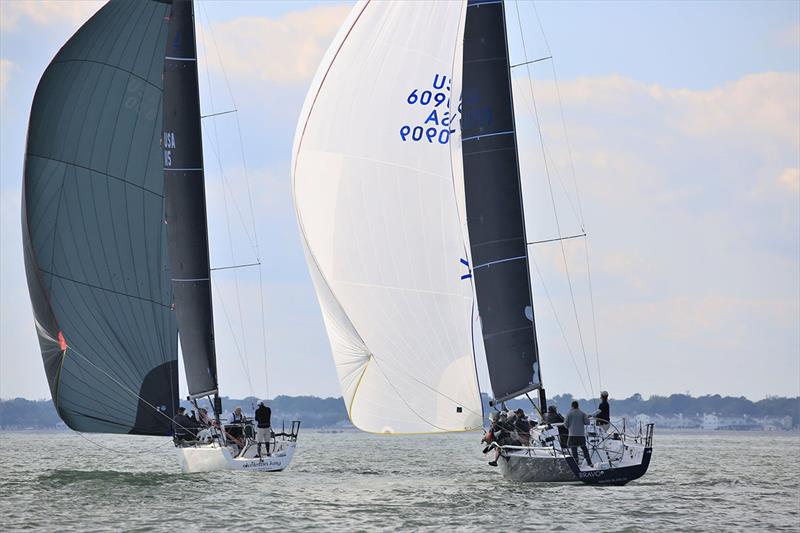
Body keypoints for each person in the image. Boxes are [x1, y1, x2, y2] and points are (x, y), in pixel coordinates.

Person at [563, 400, 593, 467]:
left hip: (572, 435)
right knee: (584, 449)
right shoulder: (582, 413)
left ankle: (576, 463)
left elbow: (565, 425)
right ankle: (589, 463)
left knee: (574, 449)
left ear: (572, 406)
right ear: (578, 406)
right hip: (581, 435)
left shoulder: (569, 414)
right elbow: (587, 422)